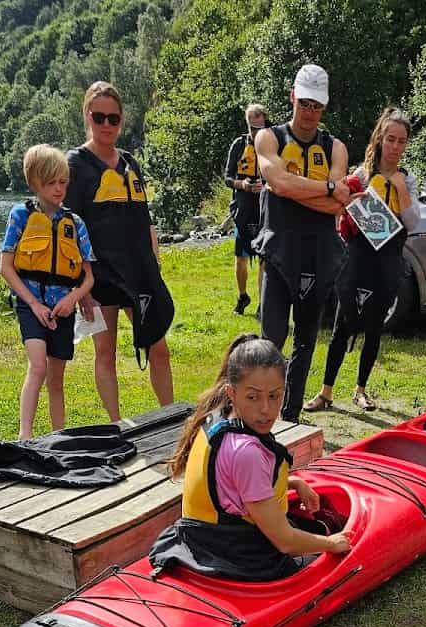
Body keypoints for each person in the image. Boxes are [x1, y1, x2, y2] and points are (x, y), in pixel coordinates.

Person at [149, 334, 351, 581]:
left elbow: (230, 485)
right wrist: (330, 544)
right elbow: (284, 541)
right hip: (240, 559)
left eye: (275, 396)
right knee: (325, 532)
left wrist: (295, 483)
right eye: (253, 397)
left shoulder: (215, 416)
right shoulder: (247, 452)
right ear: (232, 392)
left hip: (202, 544)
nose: (266, 409)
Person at [65, 81, 175, 420]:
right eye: (99, 117)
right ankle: (116, 425)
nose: (107, 125)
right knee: (105, 352)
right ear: (87, 116)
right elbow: (68, 229)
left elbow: (145, 218)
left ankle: (171, 418)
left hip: (139, 271)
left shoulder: (130, 163)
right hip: (100, 276)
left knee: (159, 347)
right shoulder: (75, 164)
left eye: (114, 119)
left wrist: (154, 264)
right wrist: (80, 286)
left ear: (122, 120)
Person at [306, 108, 420, 413]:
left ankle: (361, 390)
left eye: (401, 141)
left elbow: (413, 222)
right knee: (343, 324)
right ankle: (326, 392)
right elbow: (337, 209)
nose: (395, 147)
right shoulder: (359, 175)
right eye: (391, 139)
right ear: (380, 139)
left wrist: (398, 188)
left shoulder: (407, 180)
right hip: (357, 257)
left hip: (388, 260)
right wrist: (348, 205)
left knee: (373, 327)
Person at [254, 64, 351, 420]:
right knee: (271, 342)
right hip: (280, 252)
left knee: (306, 342)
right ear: (292, 97)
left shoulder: (334, 147)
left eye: (317, 106)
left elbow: (337, 201)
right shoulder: (268, 137)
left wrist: (291, 187)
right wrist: (324, 189)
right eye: (305, 103)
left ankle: (290, 417)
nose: (310, 112)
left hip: (319, 255)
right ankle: (257, 415)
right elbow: (278, 182)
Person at [0, 144, 95, 440]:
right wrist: (33, 304)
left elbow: (89, 277)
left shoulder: (75, 223)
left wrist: (72, 300)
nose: (58, 189)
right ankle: (25, 436)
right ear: (34, 183)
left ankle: (58, 436)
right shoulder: (21, 216)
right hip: (32, 306)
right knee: (38, 366)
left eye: (63, 182)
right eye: (51, 183)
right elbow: (6, 266)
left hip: (62, 310)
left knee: (56, 378)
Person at [224, 104, 269, 315]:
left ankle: (263, 304)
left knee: (264, 258)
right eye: (253, 128)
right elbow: (227, 177)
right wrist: (243, 185)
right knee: (241, 258)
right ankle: (243, 296)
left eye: (260, 128)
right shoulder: (238, 144)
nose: (257, 133)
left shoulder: (272, 143)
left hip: (264, 210)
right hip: (242, 209)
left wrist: (266, 185)